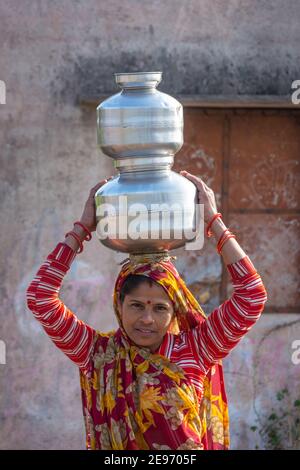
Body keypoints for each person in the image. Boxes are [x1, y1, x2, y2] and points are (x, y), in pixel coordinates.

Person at [26, 171, 268, 450]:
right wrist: (82, 229)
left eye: (160, 308)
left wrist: (213, 222)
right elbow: (39, 297)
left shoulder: (196, 349)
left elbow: (252, 295)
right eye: (136, 305)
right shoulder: (97, 353)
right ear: (119, 305)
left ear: (175, 311)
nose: (147, 319)